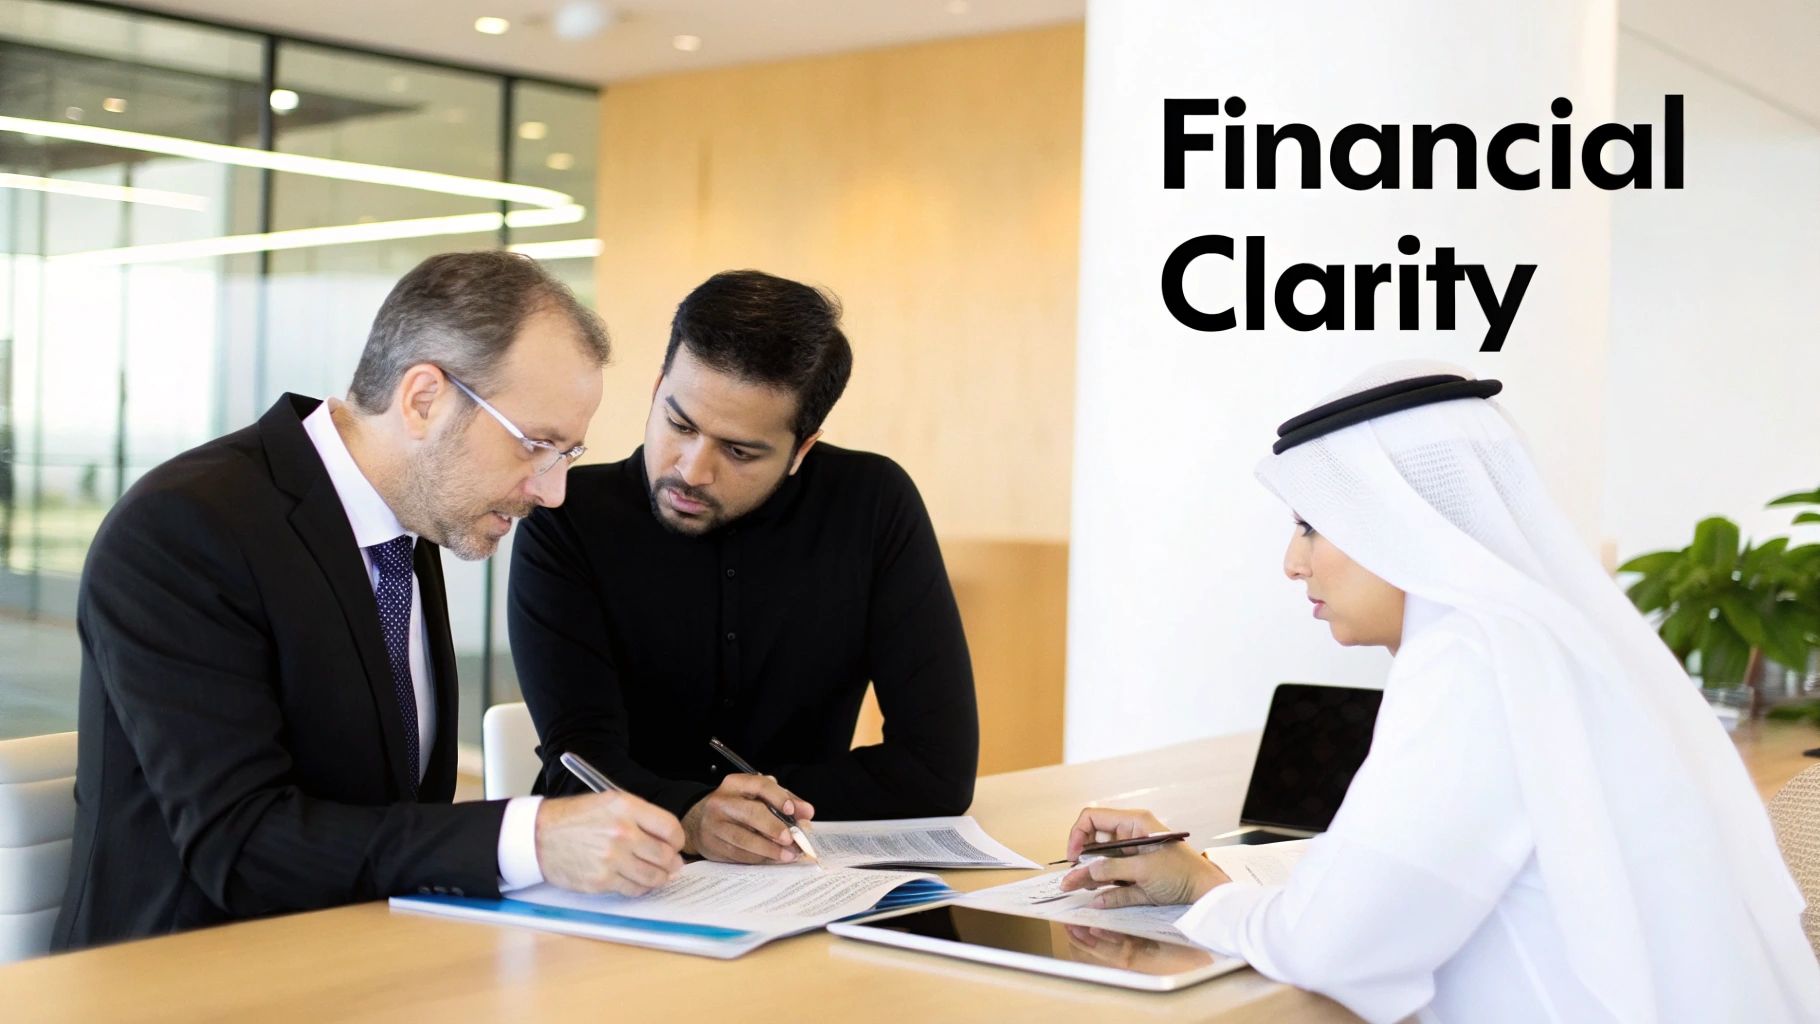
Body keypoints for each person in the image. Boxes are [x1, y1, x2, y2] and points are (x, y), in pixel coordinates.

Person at [1057, 363, 1820, 1023]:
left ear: (1399, 521)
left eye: (1312, 527)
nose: (1294, 563)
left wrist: (1205, 893)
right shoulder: (1530, 639)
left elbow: (1335, 946)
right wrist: (1204, 876)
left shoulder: (1469, 658)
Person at [53, 252, 685, 952]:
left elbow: (391, 813)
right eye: (537, 446)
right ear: (423, 400)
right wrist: (527, 837)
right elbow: (242, 846)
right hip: (181, 980)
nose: (552, 490)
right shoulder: (185, 527)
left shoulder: (406, 526)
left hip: (367, 958)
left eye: (566, 454)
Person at [509, 269, 978, 866]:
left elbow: (936, 770)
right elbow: (582, 765)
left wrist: (745, 812)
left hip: (800, 877)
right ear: (656, 390)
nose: (692, 470)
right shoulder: (566, 517)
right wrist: (694, 814)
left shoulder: (871, 505)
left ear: (800, 450)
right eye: (679, 424)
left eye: (739, 451)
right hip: (614, 877)